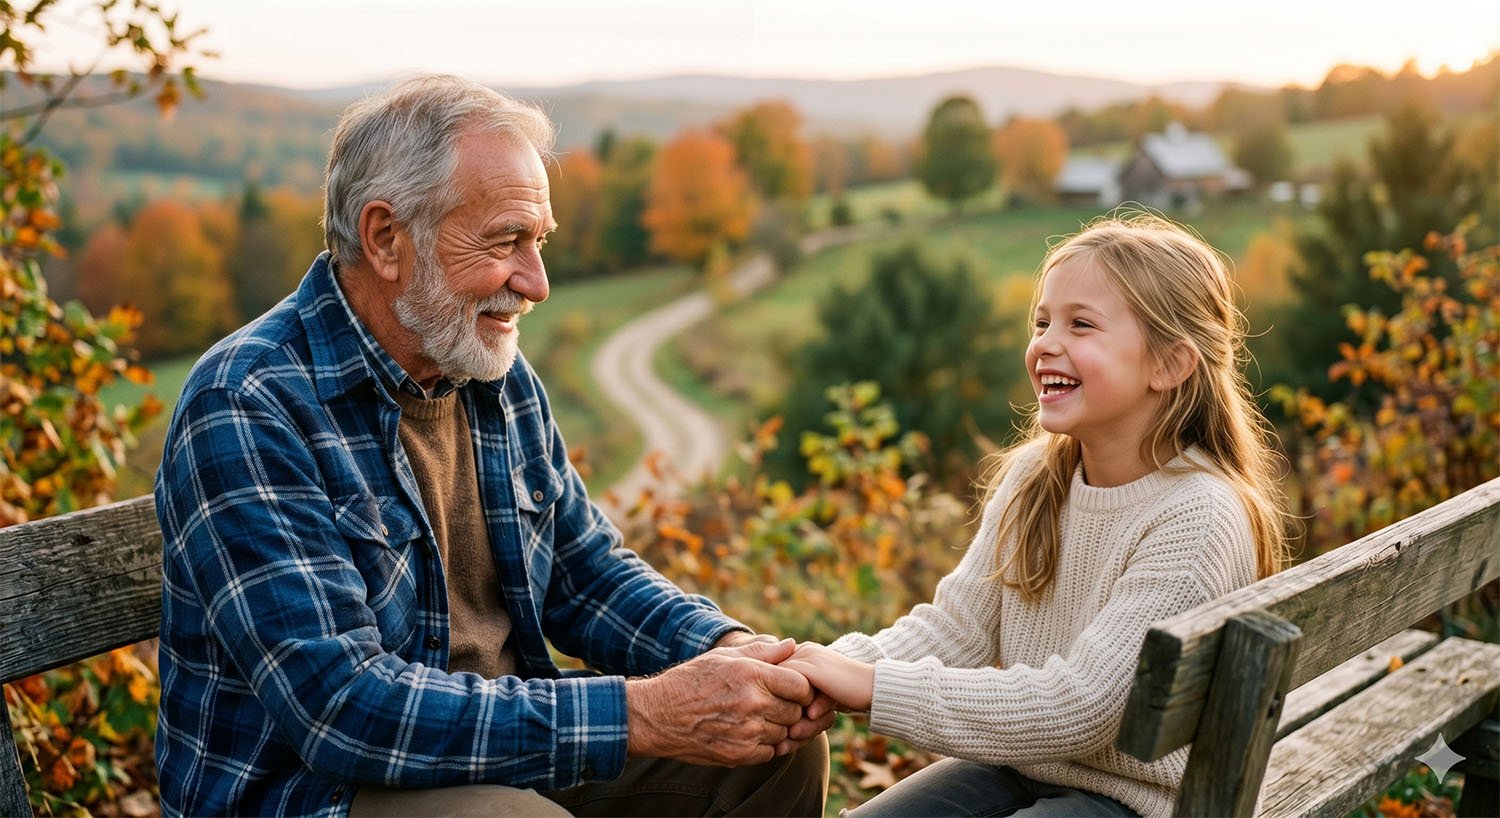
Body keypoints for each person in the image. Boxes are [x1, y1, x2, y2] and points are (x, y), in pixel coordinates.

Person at [153, 74, 832, 818]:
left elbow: (584, 575)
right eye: (505, 241)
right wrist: (647, 713)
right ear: (386, 239)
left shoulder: (488, 371)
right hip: (320, 792)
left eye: (538, 243)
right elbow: (340, 707)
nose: (537, 284)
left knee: (773, 750)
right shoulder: (250, 403)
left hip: (497, 753)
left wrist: (734, 653)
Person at [782, 214, 1293, 818]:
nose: (1047, 342)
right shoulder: (1035, 477)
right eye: (1043, 321)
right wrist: (818, 669)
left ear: (1170, 364)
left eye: (1081, 325)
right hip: (1021, 770)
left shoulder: (1197, 516)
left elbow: (1085, 708)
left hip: (1139, 803)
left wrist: (871, 687)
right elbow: (955, 632)